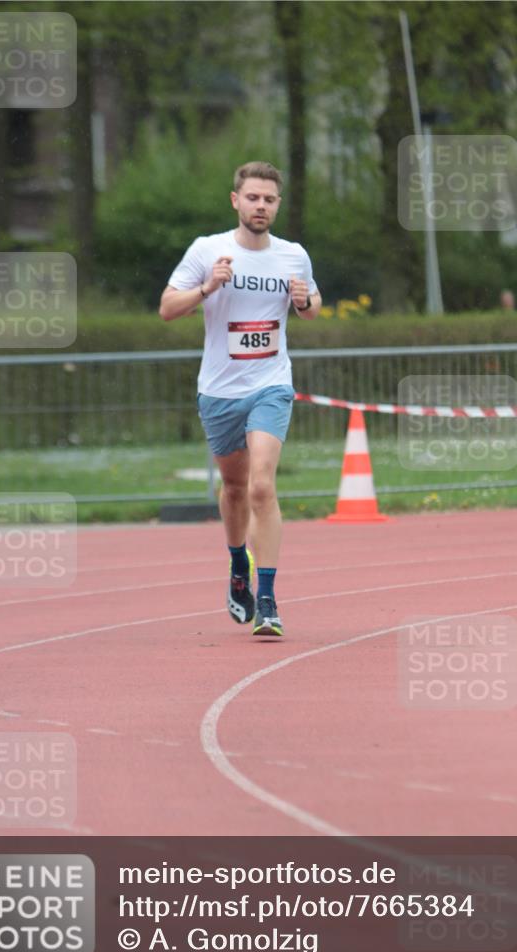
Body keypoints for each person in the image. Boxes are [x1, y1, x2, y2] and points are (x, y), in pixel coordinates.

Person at [159, 161, 321, 637]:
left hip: (271, 384)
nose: (260, 206)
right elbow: (167, 308)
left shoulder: (293, 255)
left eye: (269, 199)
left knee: (261, 486)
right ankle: (237, 564)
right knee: (234, 487)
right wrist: (207, 287)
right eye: (253, 198)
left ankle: (267, 600)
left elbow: (312, 307)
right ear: (236, 201)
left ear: (278, 205)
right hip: (220, 390)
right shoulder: (208, 250)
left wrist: (303, 301)